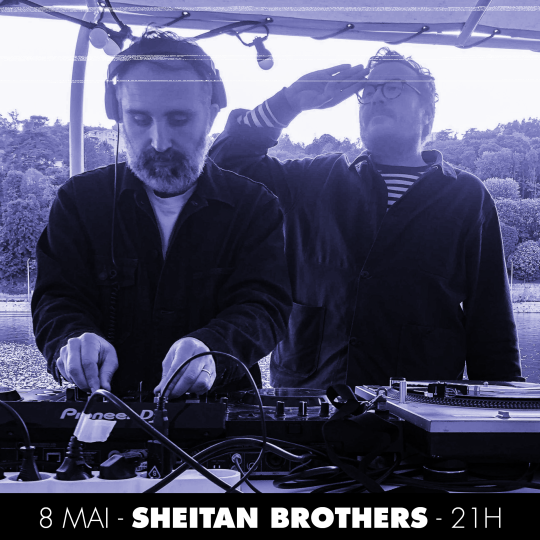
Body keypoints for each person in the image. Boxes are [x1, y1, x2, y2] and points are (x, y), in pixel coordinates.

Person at [210, 47, 523, 389]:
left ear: (427, 114)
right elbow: (223, 168)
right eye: (368, 90)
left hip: (419, 408)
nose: (376, 97)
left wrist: (503, 406)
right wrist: (288, 102)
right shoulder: (311, 179)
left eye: (393, 87)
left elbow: (491, 321)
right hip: (311, 403)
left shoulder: (467, 196)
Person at [31, 29, 291, 399]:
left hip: (221, 415)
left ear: (211, 115)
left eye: (179, 119)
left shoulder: (256, 206)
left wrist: (213, 347)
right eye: (139, 118)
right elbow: (56, 298)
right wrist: (72, 337)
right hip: (101, 410)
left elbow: (265, 306)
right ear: (118, 115)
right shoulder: (78, 201)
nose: (159, 141)